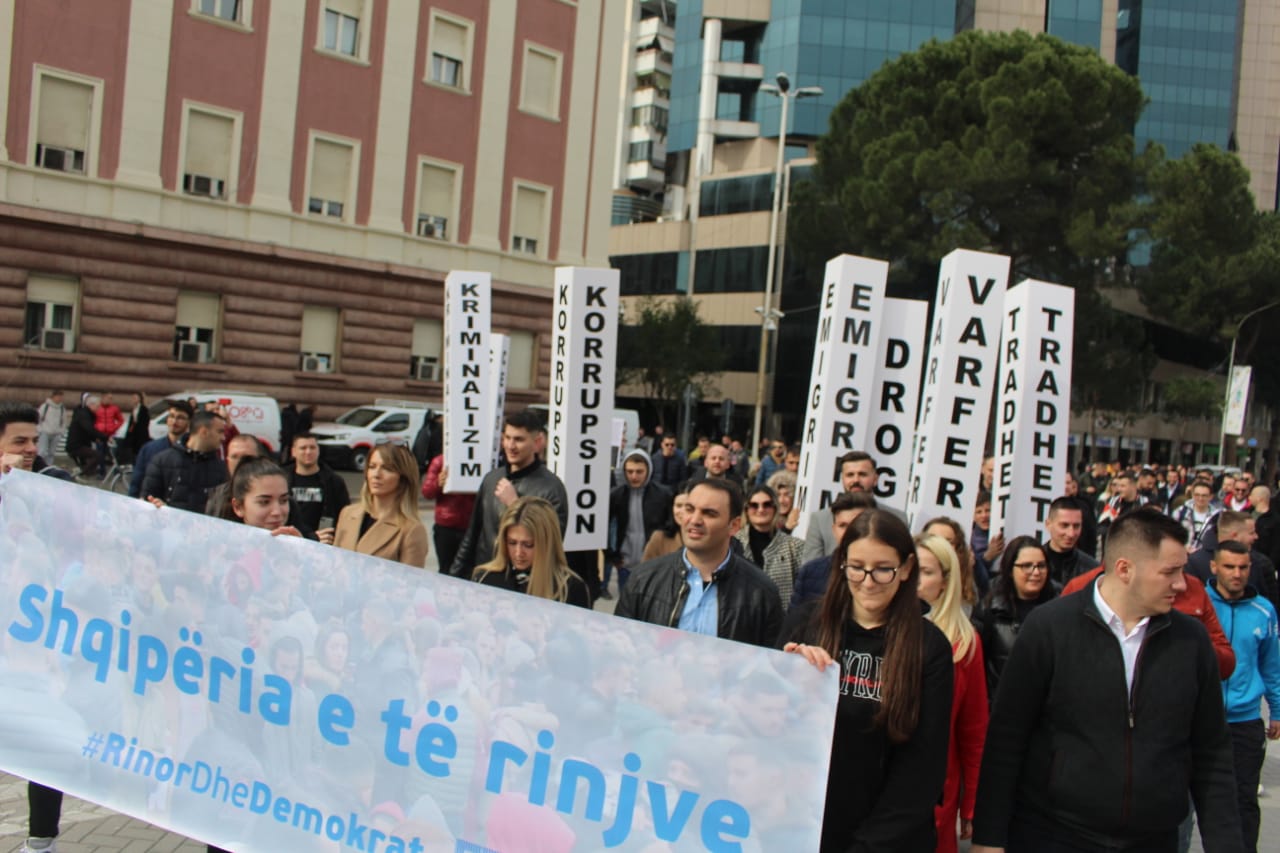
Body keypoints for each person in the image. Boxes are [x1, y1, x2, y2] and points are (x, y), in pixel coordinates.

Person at [971, 508, 1243, 853]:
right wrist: (988, 838)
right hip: (1054, 835)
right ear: (1124, 569)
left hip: (1154, 840)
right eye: (1170, 572)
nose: (1181, 584)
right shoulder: (1050, 628)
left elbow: (1212, 753)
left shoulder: (1191, 641)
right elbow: (1007, 738)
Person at [781, 510, 954, 851]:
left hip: (888, 838)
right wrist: (784, 677)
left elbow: (923, 767)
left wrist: (867, 845)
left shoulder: (929, 647)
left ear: (905, 569)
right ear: (841, 565)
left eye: (883, 569)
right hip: (804, 828)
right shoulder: (805, 625)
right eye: (857, 567)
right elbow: (764, 732)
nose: (868, 580)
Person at [0, 402, 73, 853]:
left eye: (33, 441)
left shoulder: (52, 487)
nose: (31, 450)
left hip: (34, 643)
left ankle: (41, 840)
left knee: (44, 742)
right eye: (19, 442)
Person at [615, 479, 783, 647]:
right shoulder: (643, 579)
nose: (695, 520)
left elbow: (771, 664)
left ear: (734, 526)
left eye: (709, 513)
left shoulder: (761, 593)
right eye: (690, 509)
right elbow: (619, 649)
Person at [1206, 539, 1280, 853]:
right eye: (1229, 567)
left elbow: (1272, 665)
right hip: (1201, 719)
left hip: (1246, 721)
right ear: (1214, 567)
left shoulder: (1264, 610)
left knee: (1244, 800)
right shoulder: (1200, 605)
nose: (1237, 574)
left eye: (1243, 567)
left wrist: (1276, 710)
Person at [916, 533, 988, 853]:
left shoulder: (965, 643)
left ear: (946, 581)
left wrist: (970, 803)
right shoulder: (881, 630)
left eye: (926, 572)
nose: (914, 580)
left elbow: (973, 731)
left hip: (936, 798)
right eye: (910, 569)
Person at [449, 409, 567, 577]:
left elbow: (551, 544)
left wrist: (515, 504)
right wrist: (455, 576)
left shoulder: (552, 489)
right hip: (485, 576)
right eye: (507, 438)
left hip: (527, 584)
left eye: (519, 439)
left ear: (537, 442)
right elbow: (472, 535)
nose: (511, 446)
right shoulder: (491, 479)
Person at [971, 535, 1059, 702]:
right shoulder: (989, 609)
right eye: (1026, 566)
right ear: (1010, 569)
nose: (1035, 572)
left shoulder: (1060, 606)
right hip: (1001, 707)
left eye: (1041, 566)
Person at [472, 496, 590, 607]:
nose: (518, 553)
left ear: (547, 544)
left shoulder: (570, 588)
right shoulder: (485, 578)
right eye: (512, 543)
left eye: (528, 545)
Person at [334, 444, 428, 568]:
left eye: (387, 469)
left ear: (403, 477)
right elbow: (334, 566)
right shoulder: (348, 514)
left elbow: (410, 584)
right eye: (372, 467)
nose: (376, 475)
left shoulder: (411, 530)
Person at [802, 450, 891, 562]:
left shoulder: (896, 517)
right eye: (850, 475)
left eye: (862, 474)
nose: (856, 480)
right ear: (842, 479)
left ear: (875, 479)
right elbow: (810, 568)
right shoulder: (820, 519)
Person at [792, 492, 877, 608]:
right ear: (834, 530)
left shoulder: (888, 573)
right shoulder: (809, 572)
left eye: (856, 524)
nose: (848, 532)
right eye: (843, 525)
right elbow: (794, 622)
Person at [605, 448, 671, 599]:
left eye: (639, 471)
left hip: (654, 564)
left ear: (648, 470)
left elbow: (669, 528)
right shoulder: (616, 496)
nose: (634, 476)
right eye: (630, 471)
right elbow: (606, 528)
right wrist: (611, 555)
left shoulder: (663, 495)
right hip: (625, 564)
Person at [141, 408, 228, 513]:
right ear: (203, 432)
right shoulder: (163, 460)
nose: (223, 437)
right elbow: (147, 500)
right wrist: (158, 506)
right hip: (167, 526)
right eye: (220, 432)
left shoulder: (220, 469)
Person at [734, 484, 804, 608]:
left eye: (767, 504)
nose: (761, 510)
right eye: (754, 505)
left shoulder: (794, 546)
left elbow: (803, 589)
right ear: (746, 510)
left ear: (775, 508)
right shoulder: (733, 542)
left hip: (781, 621)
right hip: (740, 617)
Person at [420, 452, 476, 579]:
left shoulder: (479, 460)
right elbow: (427, 492)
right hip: (446, 526)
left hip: (470, 526)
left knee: (468, 572)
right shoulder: (440, 461)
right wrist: (438, 483)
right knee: (446, 570)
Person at [287, 432, 350, 544]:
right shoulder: (283, 479)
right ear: (293, 452)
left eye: (312, 447)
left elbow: (345, 515)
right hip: (289, 540)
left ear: (318, 450)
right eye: (303, 448)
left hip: (323, 543)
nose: (308, 452)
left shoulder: (334, 481)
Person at [223, 457, 304, 538]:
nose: (277, 512)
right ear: (238, 507)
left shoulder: (299, 543)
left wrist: (301, 548)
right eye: (264, 502)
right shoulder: (221, 545)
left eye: (283, 500)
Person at [129, 399, 192, 498]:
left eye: (180, 418)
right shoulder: (149, 448)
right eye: (171, 416)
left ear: (189, 422)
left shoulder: (192, 451)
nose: (174, 421)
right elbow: (136, 482)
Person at [1042, 496, 1100, 586]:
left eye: (1076, 526)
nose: (1071, 534)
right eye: (1064, 525)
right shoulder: (1034, 562)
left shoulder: (1093, 570)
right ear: (1048, 524)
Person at [641, 480, 693, 562]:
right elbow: (644, 571)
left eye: (688, 507)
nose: (682, 512)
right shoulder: (659, 538)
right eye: (678, 506)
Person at [65, 394, 107, 476]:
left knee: (90, 464)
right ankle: (81, 475)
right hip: (76, 446)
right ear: (91, 405)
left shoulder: (88, 414)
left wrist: (95, 439)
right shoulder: (84, 414)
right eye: (98, 406)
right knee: (97, 455)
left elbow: (87, 431)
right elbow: (89, 429)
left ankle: (81, 474)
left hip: (81, 444)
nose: (99, 409)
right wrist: (104, 437)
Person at [35, 390, 66, 464]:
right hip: (45, 432)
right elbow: (38, 418)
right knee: (42, 451)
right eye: (58, 397)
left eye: (61, 397)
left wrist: (61, 432)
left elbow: (64, 421)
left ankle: (48, 466)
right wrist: (40, 430)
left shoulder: (62, 409)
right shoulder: (45, 406)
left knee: (51, 453)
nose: (59, 399)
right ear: (53, 397)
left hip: (56, 434)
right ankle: (39, 465)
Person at [122, 391, 150, 462]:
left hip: (140, 435)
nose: (134, 399)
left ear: (139, 399)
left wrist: (136, 421)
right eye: (133, 398)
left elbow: (145, 422)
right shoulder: (134, 409)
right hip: (134, 435)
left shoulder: (143, 409)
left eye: (135, 398)